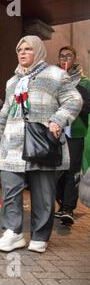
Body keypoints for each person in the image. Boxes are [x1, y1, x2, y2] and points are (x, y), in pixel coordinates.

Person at [0, 35, 82, 253]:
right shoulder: (12, 82)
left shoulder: (55, 74)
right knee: (10, 187)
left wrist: (58, 120)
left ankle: (40, 235)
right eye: (19, 49)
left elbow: (74, 100)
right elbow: (5, 113)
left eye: (28, 49)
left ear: (37, 51)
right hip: (13, 144)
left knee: (43, 192)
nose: (22, 52)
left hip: (42, 143)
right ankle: (13, 232)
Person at [55, 46, 90, 225]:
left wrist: (73, 103)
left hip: (75, 132)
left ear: (75, 59)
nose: (65, 59)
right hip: (55, 132)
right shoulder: (53, 78)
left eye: (68, 56)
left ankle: (68, 208)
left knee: (72, 170)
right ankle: (61, 202)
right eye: (62, 56)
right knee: (56, 171)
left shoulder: (84, 83)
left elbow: (88, 105)